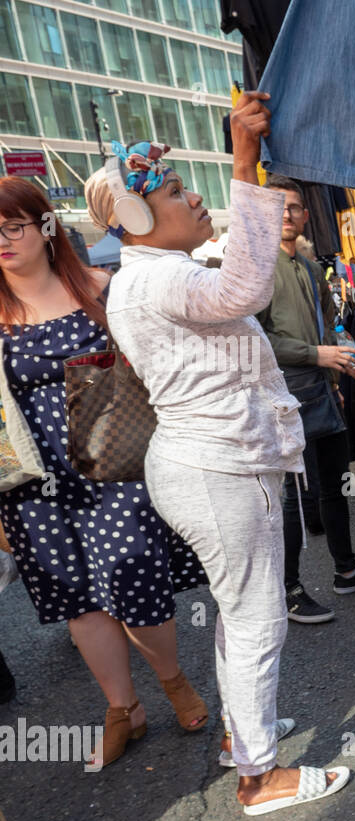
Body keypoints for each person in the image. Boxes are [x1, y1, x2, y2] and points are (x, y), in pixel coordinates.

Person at [83, 92, 349, 814]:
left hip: (210, 463)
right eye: (174, 190)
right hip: (219, 466)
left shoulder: (152, 274)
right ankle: (259, 777)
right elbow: (245, 284)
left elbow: (231, 278)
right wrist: (242, 159)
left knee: (240, 611)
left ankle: (243, 738)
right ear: (136, 218)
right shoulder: (159, 276)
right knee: (258, 615)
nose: (192, 195)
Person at [0, 177, 208, 767]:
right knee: (77, 599)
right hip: (33, 484)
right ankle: (124, 709)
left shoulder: (103, 289)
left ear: (45, 227)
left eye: (13, 225)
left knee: (135, 576)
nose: (3, 240)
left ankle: (171, 681)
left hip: (113, 463)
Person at [255, 174, 355, 623]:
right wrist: (317, 353)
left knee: (336, 486)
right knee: (297, 495)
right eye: (279, 207)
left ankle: (347, 567)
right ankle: (290, 589)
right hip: (283, 391)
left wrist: (344, 360)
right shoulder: (256, 267)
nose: (289, 215)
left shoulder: (311, 265)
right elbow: (254, 339)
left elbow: (330, 322)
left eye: (296, 207)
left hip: (323, 386)